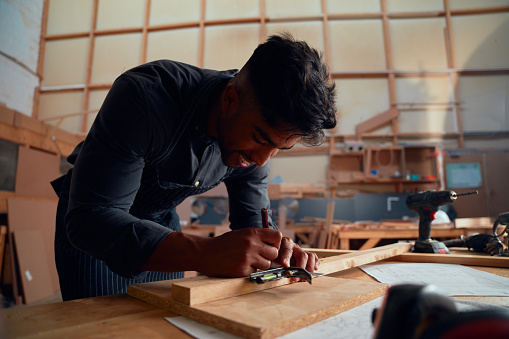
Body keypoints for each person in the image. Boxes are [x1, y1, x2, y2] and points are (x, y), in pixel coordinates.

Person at [51, 32, 337, 301]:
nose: (262, 160)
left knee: (162, 327)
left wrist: (278, 250)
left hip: (161, 223)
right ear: (230, 99)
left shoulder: (255, 142)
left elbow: (253, 223)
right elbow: (90, 218)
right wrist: (203, 251)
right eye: (259, 138)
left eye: (278, 148)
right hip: (95, 227)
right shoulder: (145, 98)